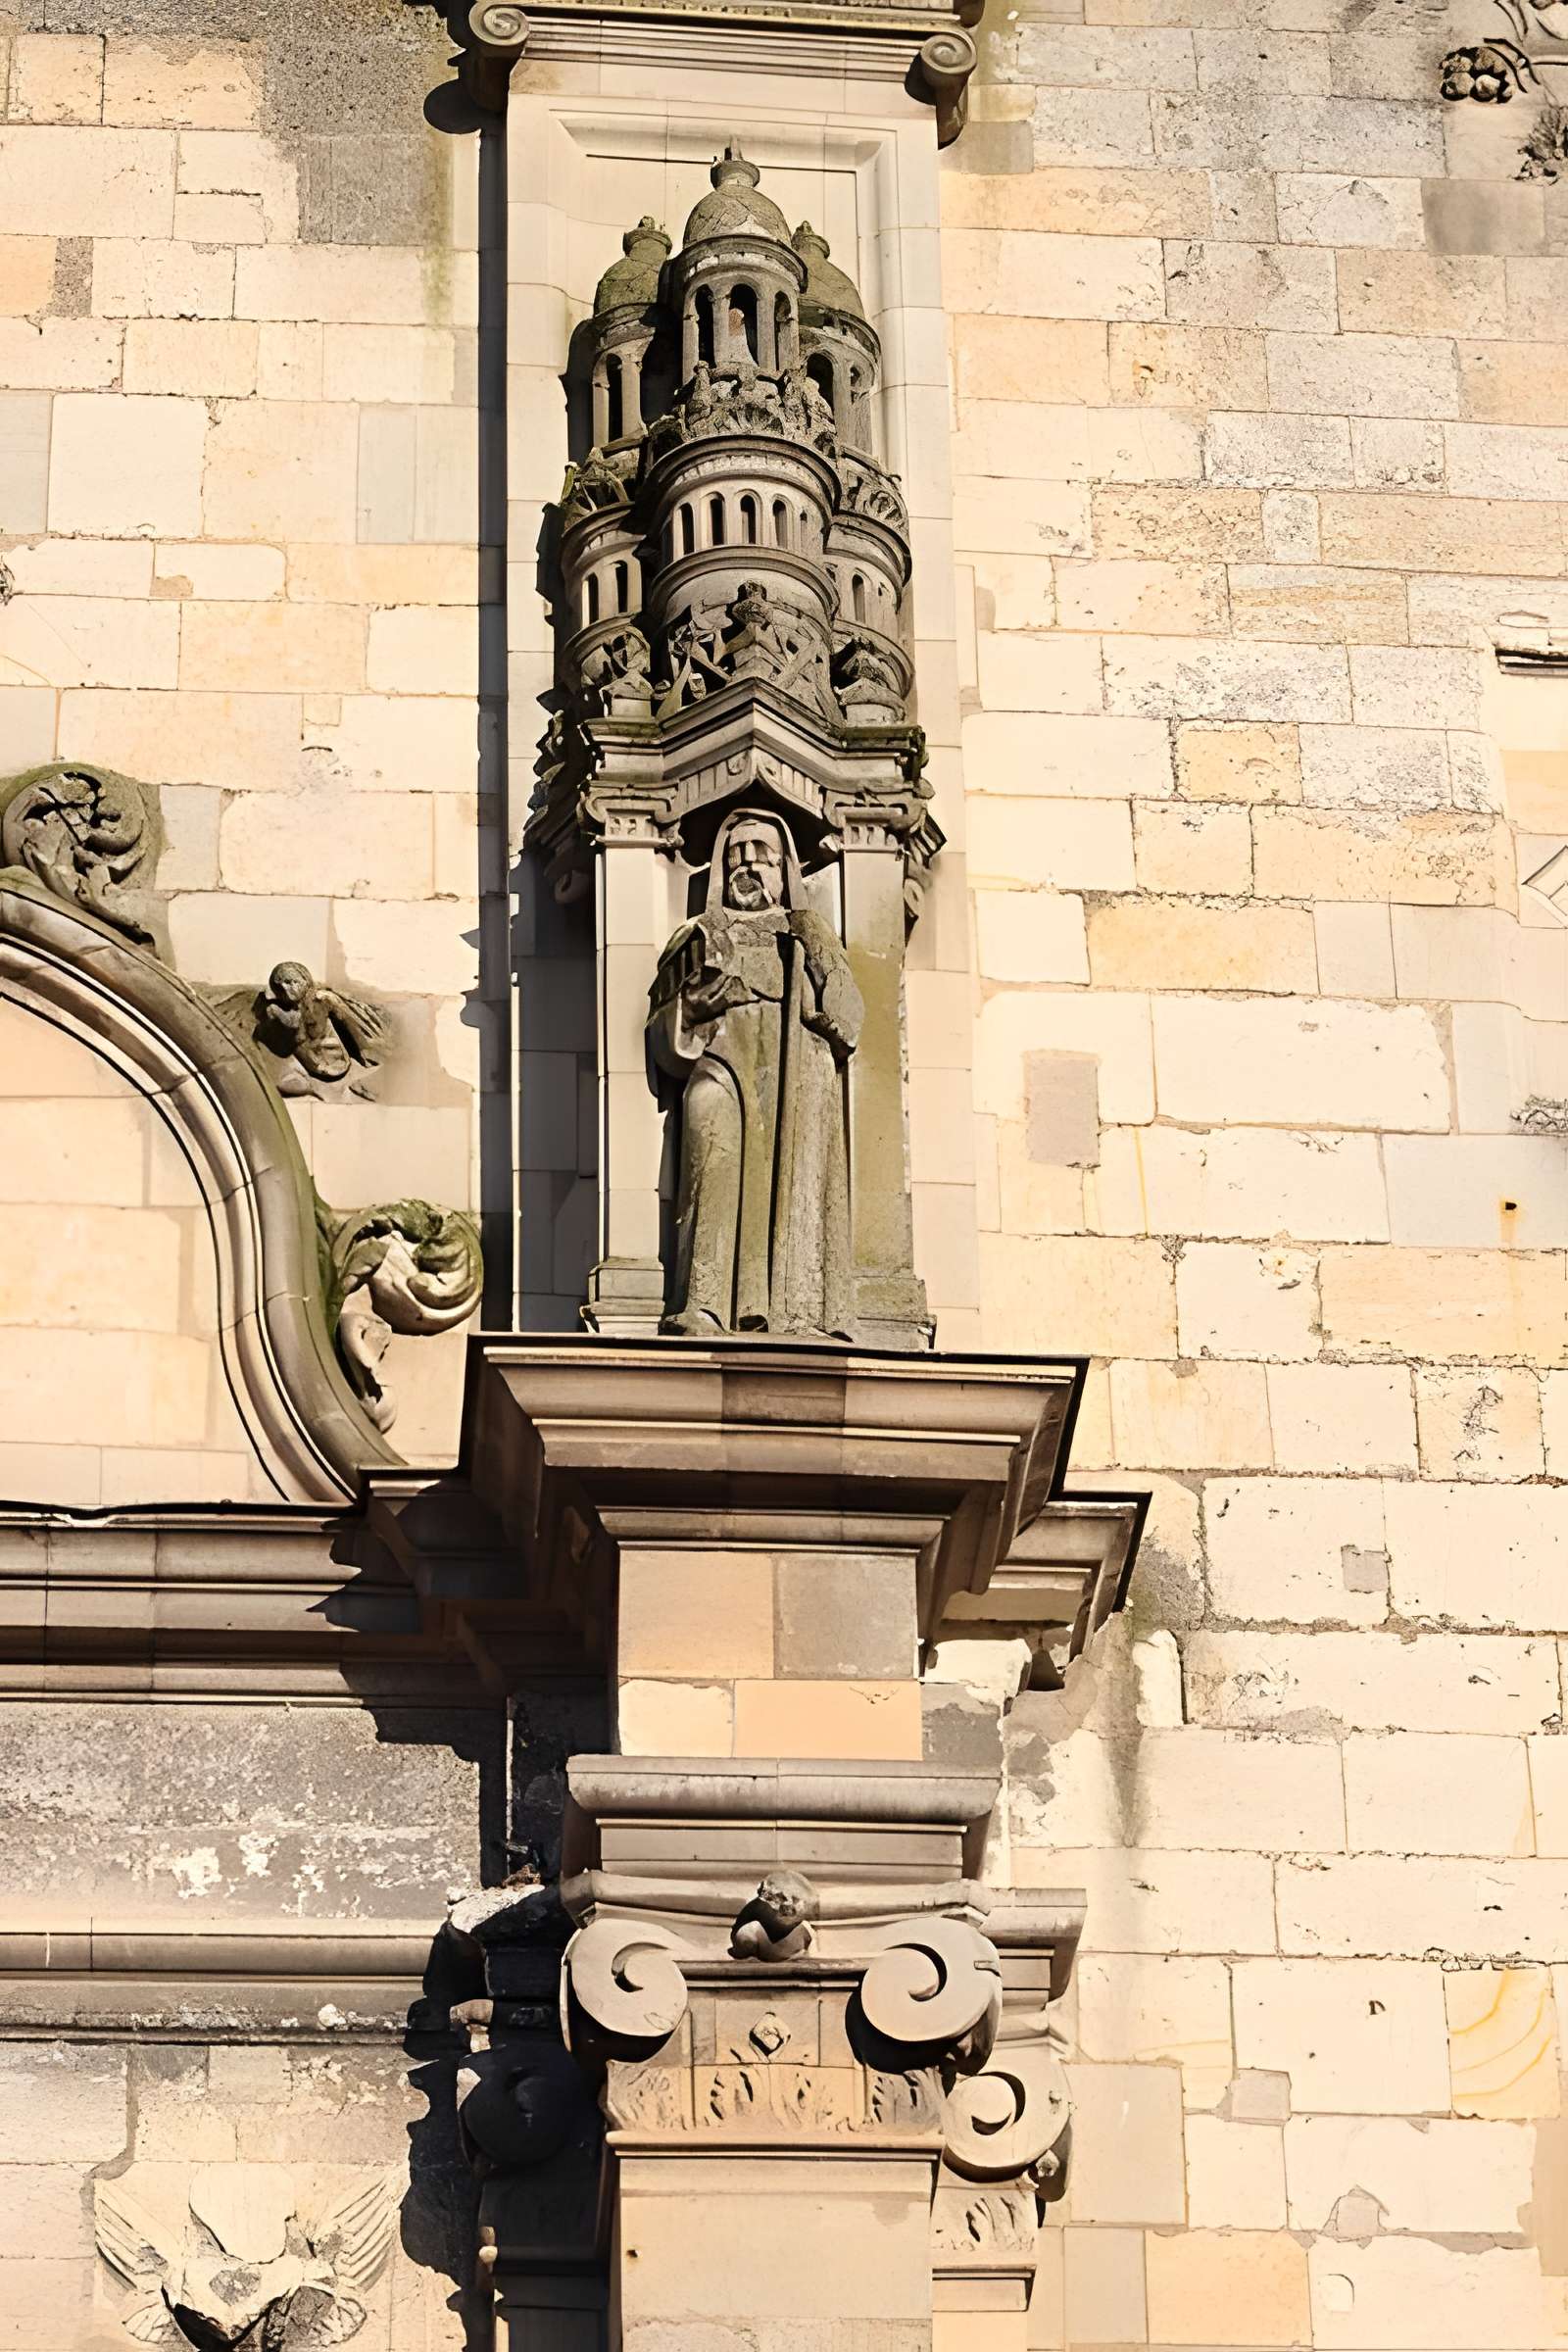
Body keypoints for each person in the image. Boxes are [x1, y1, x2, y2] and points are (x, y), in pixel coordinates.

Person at [647, 806, 861, 1338]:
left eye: (762, 856)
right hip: (720, 1061)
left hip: (795, 1076)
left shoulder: (809, 934)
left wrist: (817, 963)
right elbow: (661, 1028)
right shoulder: (698, 934)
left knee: (794, 1186)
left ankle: (796, 1311)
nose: (748, 866)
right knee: (711, 1162)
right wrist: (689, 1007)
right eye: (736, 855)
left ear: (784, 868)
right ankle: (705, 1304)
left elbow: (849, 1014)